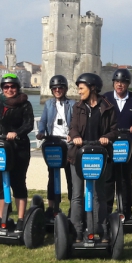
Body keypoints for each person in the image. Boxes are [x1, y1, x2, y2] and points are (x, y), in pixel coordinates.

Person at [68, 73, 118, 242]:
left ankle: (100, 230)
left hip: (99, 156)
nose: (79, 91)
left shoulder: (108, 107)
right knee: (77, 195)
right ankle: (77, 231)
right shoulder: (78, 107)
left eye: (81, 88)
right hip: (78, 155)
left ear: (93, 88)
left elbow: (114, 130)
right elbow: (73, 127)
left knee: (99, 195)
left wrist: (107, 138)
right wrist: (75, 136)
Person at [0, 73, 34, 226]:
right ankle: (1, 218)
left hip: (18, 149)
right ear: (2, 88)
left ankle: (21, 219)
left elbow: (29, 124)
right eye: (6, 87)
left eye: (12, 86)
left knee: (18, 182)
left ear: (17, 88)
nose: (9, 89)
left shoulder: (25, 104)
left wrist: (16, 133)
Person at [103, 69, 132, 217]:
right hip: (109, 145)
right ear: (113, 83)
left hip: (128, 145)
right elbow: (99, 118)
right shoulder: (106, 98)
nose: (119, 85)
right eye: (117, 82)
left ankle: (126, 211)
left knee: (126, 178)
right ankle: (107, 211)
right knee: (109, 178)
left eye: (122, 82)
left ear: (127, 84)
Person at [36, 74, 75, 212]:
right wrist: (41, 132)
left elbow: (76, 122)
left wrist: (72, 134)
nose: (57, 90)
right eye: (54, 88)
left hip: (68, 144)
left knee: (71, 177)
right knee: (52, 177)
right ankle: (52, 207)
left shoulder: (72, 104)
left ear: (65, 89)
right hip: (53, 142)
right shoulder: (48, 104)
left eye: (60, 88)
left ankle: (73, 208)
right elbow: (43, 120)